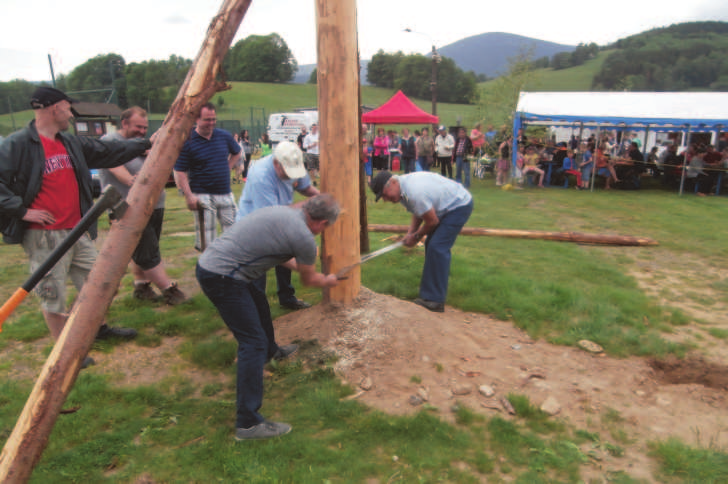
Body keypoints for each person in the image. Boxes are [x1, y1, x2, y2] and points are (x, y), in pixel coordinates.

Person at [0, 86, 143, 351]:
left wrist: (147, 143)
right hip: (43, 234)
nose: (70, 114)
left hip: (77, 230)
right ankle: (63, 352)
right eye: (68, 107)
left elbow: (106, 152)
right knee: (52, 294)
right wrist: (21, 211)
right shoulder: (18, 144)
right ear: (55, 108)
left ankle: (96, 329)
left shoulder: (68, 142)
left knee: (98, 283)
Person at [196, 194, 340, 440]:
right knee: (252, 343)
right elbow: (309, 280)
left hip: (218, 266)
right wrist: (327, 280)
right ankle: (248, 424)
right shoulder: (304, 237)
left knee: (259, 302)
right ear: (323, 224)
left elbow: (281, 255)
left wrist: (309, 267)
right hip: (222, 277)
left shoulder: (287, 213)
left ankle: (272, 351)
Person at [99, 107, 187, 306]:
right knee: (147, 251)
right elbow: (114, 166)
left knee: (144, 247)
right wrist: (133, 181)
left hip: (154, 204)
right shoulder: (110, 142)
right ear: (125, 123)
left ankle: (141, 286)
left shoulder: (142, 144)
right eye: (138, 126)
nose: (142, 131)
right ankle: (169, 290)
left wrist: (152, 149)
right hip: (127, 206)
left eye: (145, 128)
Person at [369, 171, 473, 313]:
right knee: (432, 244)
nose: (386, 199)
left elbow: (432, 221)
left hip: (458, 206)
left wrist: (416, 236)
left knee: (437, 247)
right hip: (446, 206)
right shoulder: (404, 189)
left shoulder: (414, 192)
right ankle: (430, 295)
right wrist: (410, 233)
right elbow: (419, 212)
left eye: (385, 194)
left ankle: (435, 300)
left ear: (392, 182)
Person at [236, 141, 320, 311]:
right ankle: (255, 310)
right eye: (287, 173)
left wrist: (323, 198)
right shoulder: (260, 175)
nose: (291, 177)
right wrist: (305, 268)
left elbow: (305, 187)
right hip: (255, 225)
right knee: (258, 268)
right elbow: (271, 218)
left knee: (288, 248)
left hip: (281, 214)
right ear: (276, 163)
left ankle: (287, 297)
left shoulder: (293, 163)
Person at [174, 102, 242, 252]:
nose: (210, 123)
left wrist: (227, 167)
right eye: (207, 119)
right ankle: (208, 269)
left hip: (225, 193)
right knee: (207, 240)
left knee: (236, 234)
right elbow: (180, 171)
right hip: (202, 195)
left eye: (213, 119)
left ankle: (231, 268)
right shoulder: (188, 141)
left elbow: (237, 152)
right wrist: (189, 196)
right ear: (197, 120)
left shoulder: (223, 136)